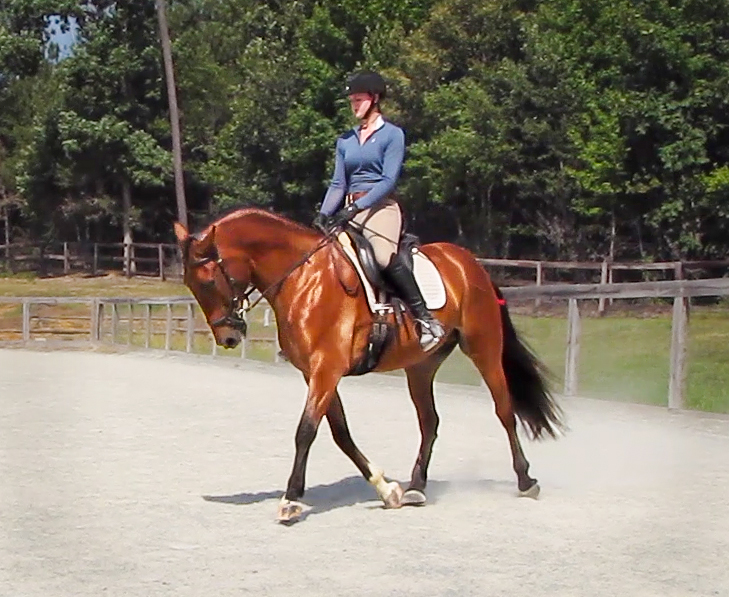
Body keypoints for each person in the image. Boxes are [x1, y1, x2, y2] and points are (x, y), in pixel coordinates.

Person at [313, 70, 445, 351]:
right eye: (352, 101)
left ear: (374, 100)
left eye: (358, 100)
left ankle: (425, 319)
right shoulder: (345, 141)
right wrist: (325, 213)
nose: (354, 106)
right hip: (349, 207)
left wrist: (357, 207)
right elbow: (338, 183)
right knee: (323, 257)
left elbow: (388, 181)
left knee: (383, 257)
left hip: (381, 207)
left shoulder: (392, 135)